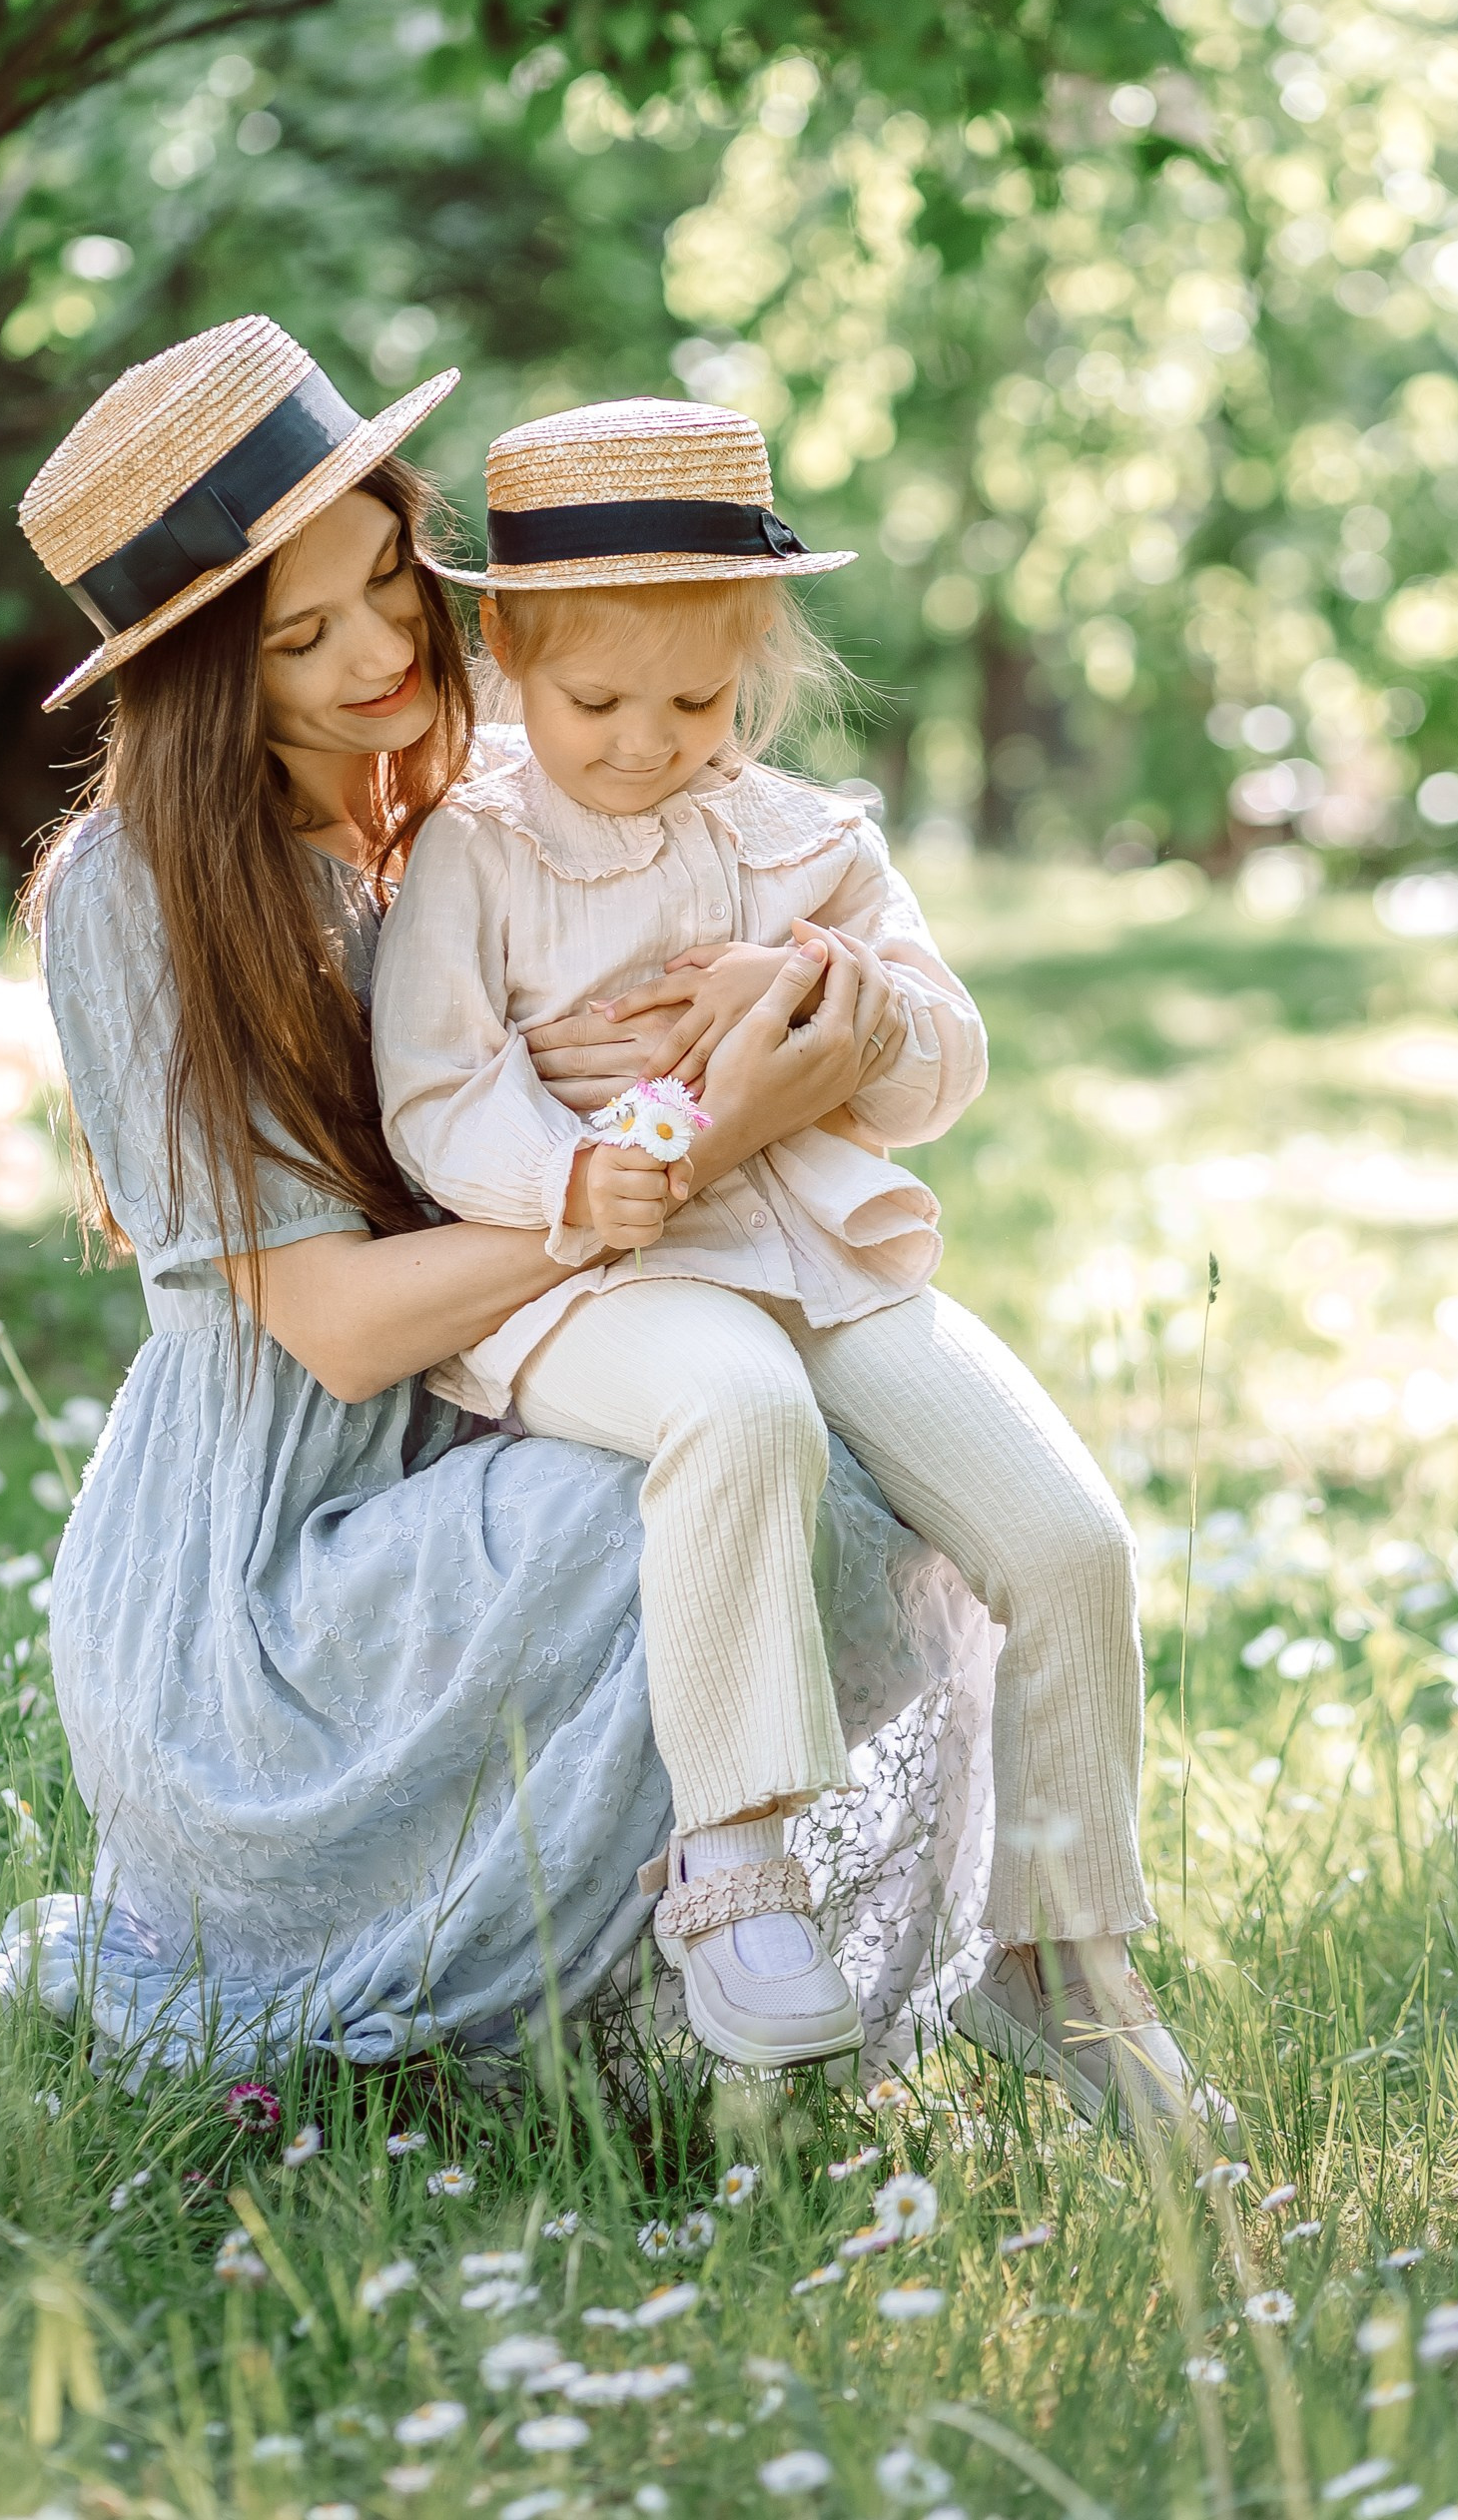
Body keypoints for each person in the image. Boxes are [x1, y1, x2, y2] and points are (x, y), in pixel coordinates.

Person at [0, 316, 1000, 2079]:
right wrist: (644, 1172)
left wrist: (788, 1017)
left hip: (489, 1409)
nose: (386, 649)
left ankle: (782, 1960)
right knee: (707, 1481)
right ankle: (666, 1965)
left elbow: (740, 920)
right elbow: (342, 1329)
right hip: (271, 1575)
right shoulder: (138, 894)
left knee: (855, 1468)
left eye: (390, 576)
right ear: (210, 669)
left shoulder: (454, 811)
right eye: (304, 635)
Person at [373, 395, 1229, 2132]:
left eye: (698, 703)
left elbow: (944, 1065)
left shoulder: (803, 838)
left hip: (818, 1250)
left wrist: (825, 1010)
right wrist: (576, 1173)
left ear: (756, 667)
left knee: (1067, 1537)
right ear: (506, 645)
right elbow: (436, 1091)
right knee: (740, 1411)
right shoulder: (474, 848)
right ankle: (740, 1873)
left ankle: (1059, 1959)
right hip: (590, 1274)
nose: (643, 744)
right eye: (596, 700)